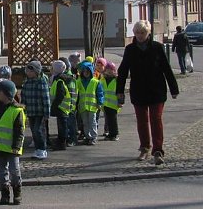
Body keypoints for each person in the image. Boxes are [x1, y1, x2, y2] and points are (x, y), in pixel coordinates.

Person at [117, 20, 179, 165]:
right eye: (137, 32)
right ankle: (144, 147)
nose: (140, 35)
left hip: (156, 90)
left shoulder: (157, 47)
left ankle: (158, 151)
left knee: (156, 119)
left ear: (148, 33)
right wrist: (120, 91)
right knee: (142, 121)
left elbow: (166, 68)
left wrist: (173, 89)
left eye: (143, 32)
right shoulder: (130, 49)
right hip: (138, 90)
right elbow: (123, 71)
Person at [0, 79, 26, 205]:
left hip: (12, 148)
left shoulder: (17, 110)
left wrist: (16, 146)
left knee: (14, 171)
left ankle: (17, 193)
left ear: (6, 94)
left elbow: (19, 131)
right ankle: (4, 194)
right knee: (2, 172)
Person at [20, 60, 50, 160]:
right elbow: (23, 96)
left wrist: (47, 113)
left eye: (31, 71)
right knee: (33, 131)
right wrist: (23, 109)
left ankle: (42, 149)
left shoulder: (41, 82)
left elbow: (46, 98)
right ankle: (37, 149)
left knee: (38, 130)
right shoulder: (26, 82)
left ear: (36, 72)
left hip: (39, 112)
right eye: (27, 71)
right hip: (30, 111)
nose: (28, 73)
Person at [75, 60, 104, 145]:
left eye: (87, 71)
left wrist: (100, 103)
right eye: (84, 71)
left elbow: (100, 93)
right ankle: (88, 136)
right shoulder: (79, 82)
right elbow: (76, 93)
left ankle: (93, 137)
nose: (86, 73)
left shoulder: (95, 82)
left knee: (92, 122)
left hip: (92, 106)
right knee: (85, 122)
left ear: (91, 71)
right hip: (83, 106)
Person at [49, 60, 72, 151]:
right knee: (61, 125)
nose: (50, 70)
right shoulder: (58, 80)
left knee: (62, 126)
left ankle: (62, 143)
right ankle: (60, 140)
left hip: (61, 107)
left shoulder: (59, 81)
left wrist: (54, 106)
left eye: (52, 68)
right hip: (61, 107)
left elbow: (60, 95)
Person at [101, 61, 121, 140]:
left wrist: (120, 101)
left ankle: (115, 134)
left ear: (114, 71)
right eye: (107, 70)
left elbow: (120, 92)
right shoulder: (103, 80)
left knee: (113, 120)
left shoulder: (116, 80)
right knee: (108, 120)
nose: (109, 71)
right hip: (105, 103)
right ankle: (110, 133)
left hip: (114, 104)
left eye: (111, 70)